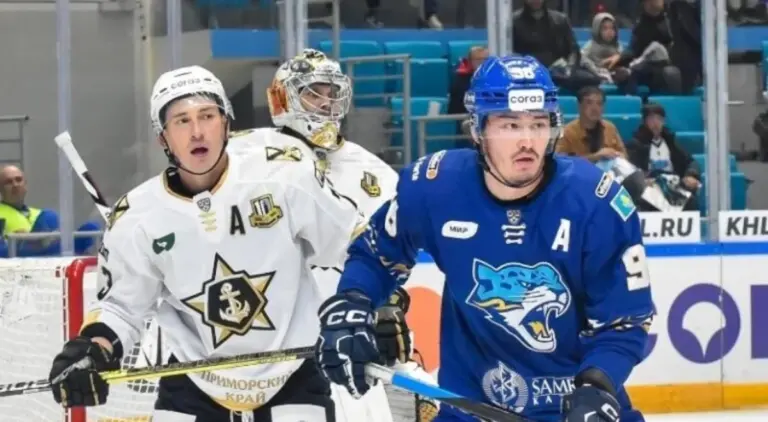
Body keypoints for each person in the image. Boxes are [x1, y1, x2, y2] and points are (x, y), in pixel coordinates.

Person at [314, 55, 656, 422]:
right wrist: (354, 303)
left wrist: (596, 386)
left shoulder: (597, 202)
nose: (527, 140)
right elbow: (376, 255)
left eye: (538, 124)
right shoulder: (435, 187)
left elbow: (626, 321)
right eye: (510, 125)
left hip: (574, 409)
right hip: (470, 411)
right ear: (478, 130)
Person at [47, 65, 365, 421]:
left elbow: (354, 243)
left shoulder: (286, 177)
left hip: (293, 374)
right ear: (163, 138)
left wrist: (380, 305)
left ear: (226, 124)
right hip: (194, 382)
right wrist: (93, 348)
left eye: (207, 116)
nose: (197, 131)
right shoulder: (136, 217)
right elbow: (122, 307)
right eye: (181, 121)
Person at [229, 48, 438, 422]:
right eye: (313, 93)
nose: (326, 103)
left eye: (331, 93)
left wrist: (389, 305)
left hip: (340, 336)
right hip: (267, 339)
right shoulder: (243, 155)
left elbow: (388, 255)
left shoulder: (372, 173)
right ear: (283, 98)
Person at [557, 86, 628, 163]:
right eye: (589, 103)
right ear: (579, 105)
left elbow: (624, 155)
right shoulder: (567, 132)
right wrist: (595, 156)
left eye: (599, 104)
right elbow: (560, 163)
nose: (595, 108)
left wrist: (617, 155)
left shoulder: (610, 127)